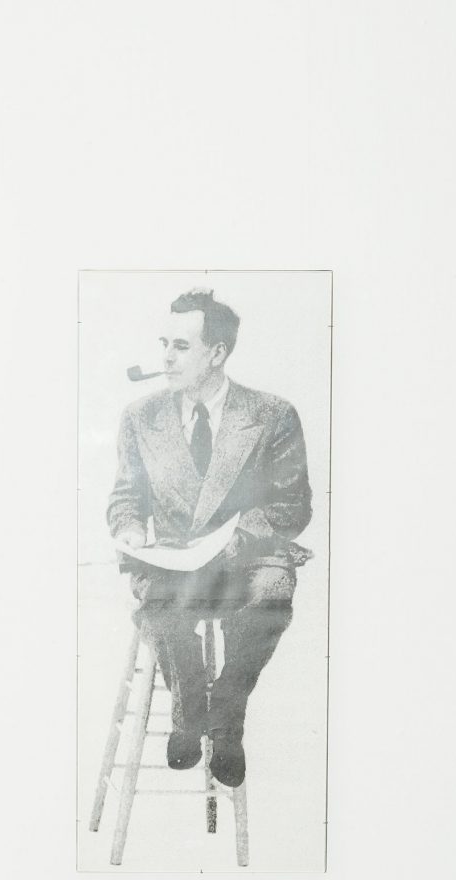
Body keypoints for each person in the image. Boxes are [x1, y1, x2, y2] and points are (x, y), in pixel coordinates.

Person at [107, 289, 312, 787]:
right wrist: (129, 528)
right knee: (157, 599)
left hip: (247, 559)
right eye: (164, 344)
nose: (166, 358)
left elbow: (293, 505)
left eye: (181, 347)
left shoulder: (273, 414)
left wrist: (235, 536)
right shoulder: (141, 417)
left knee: (273, 591)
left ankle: (227, 712)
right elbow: (126, 497)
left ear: (217, 353)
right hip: (174, 566)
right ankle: (188, 710)